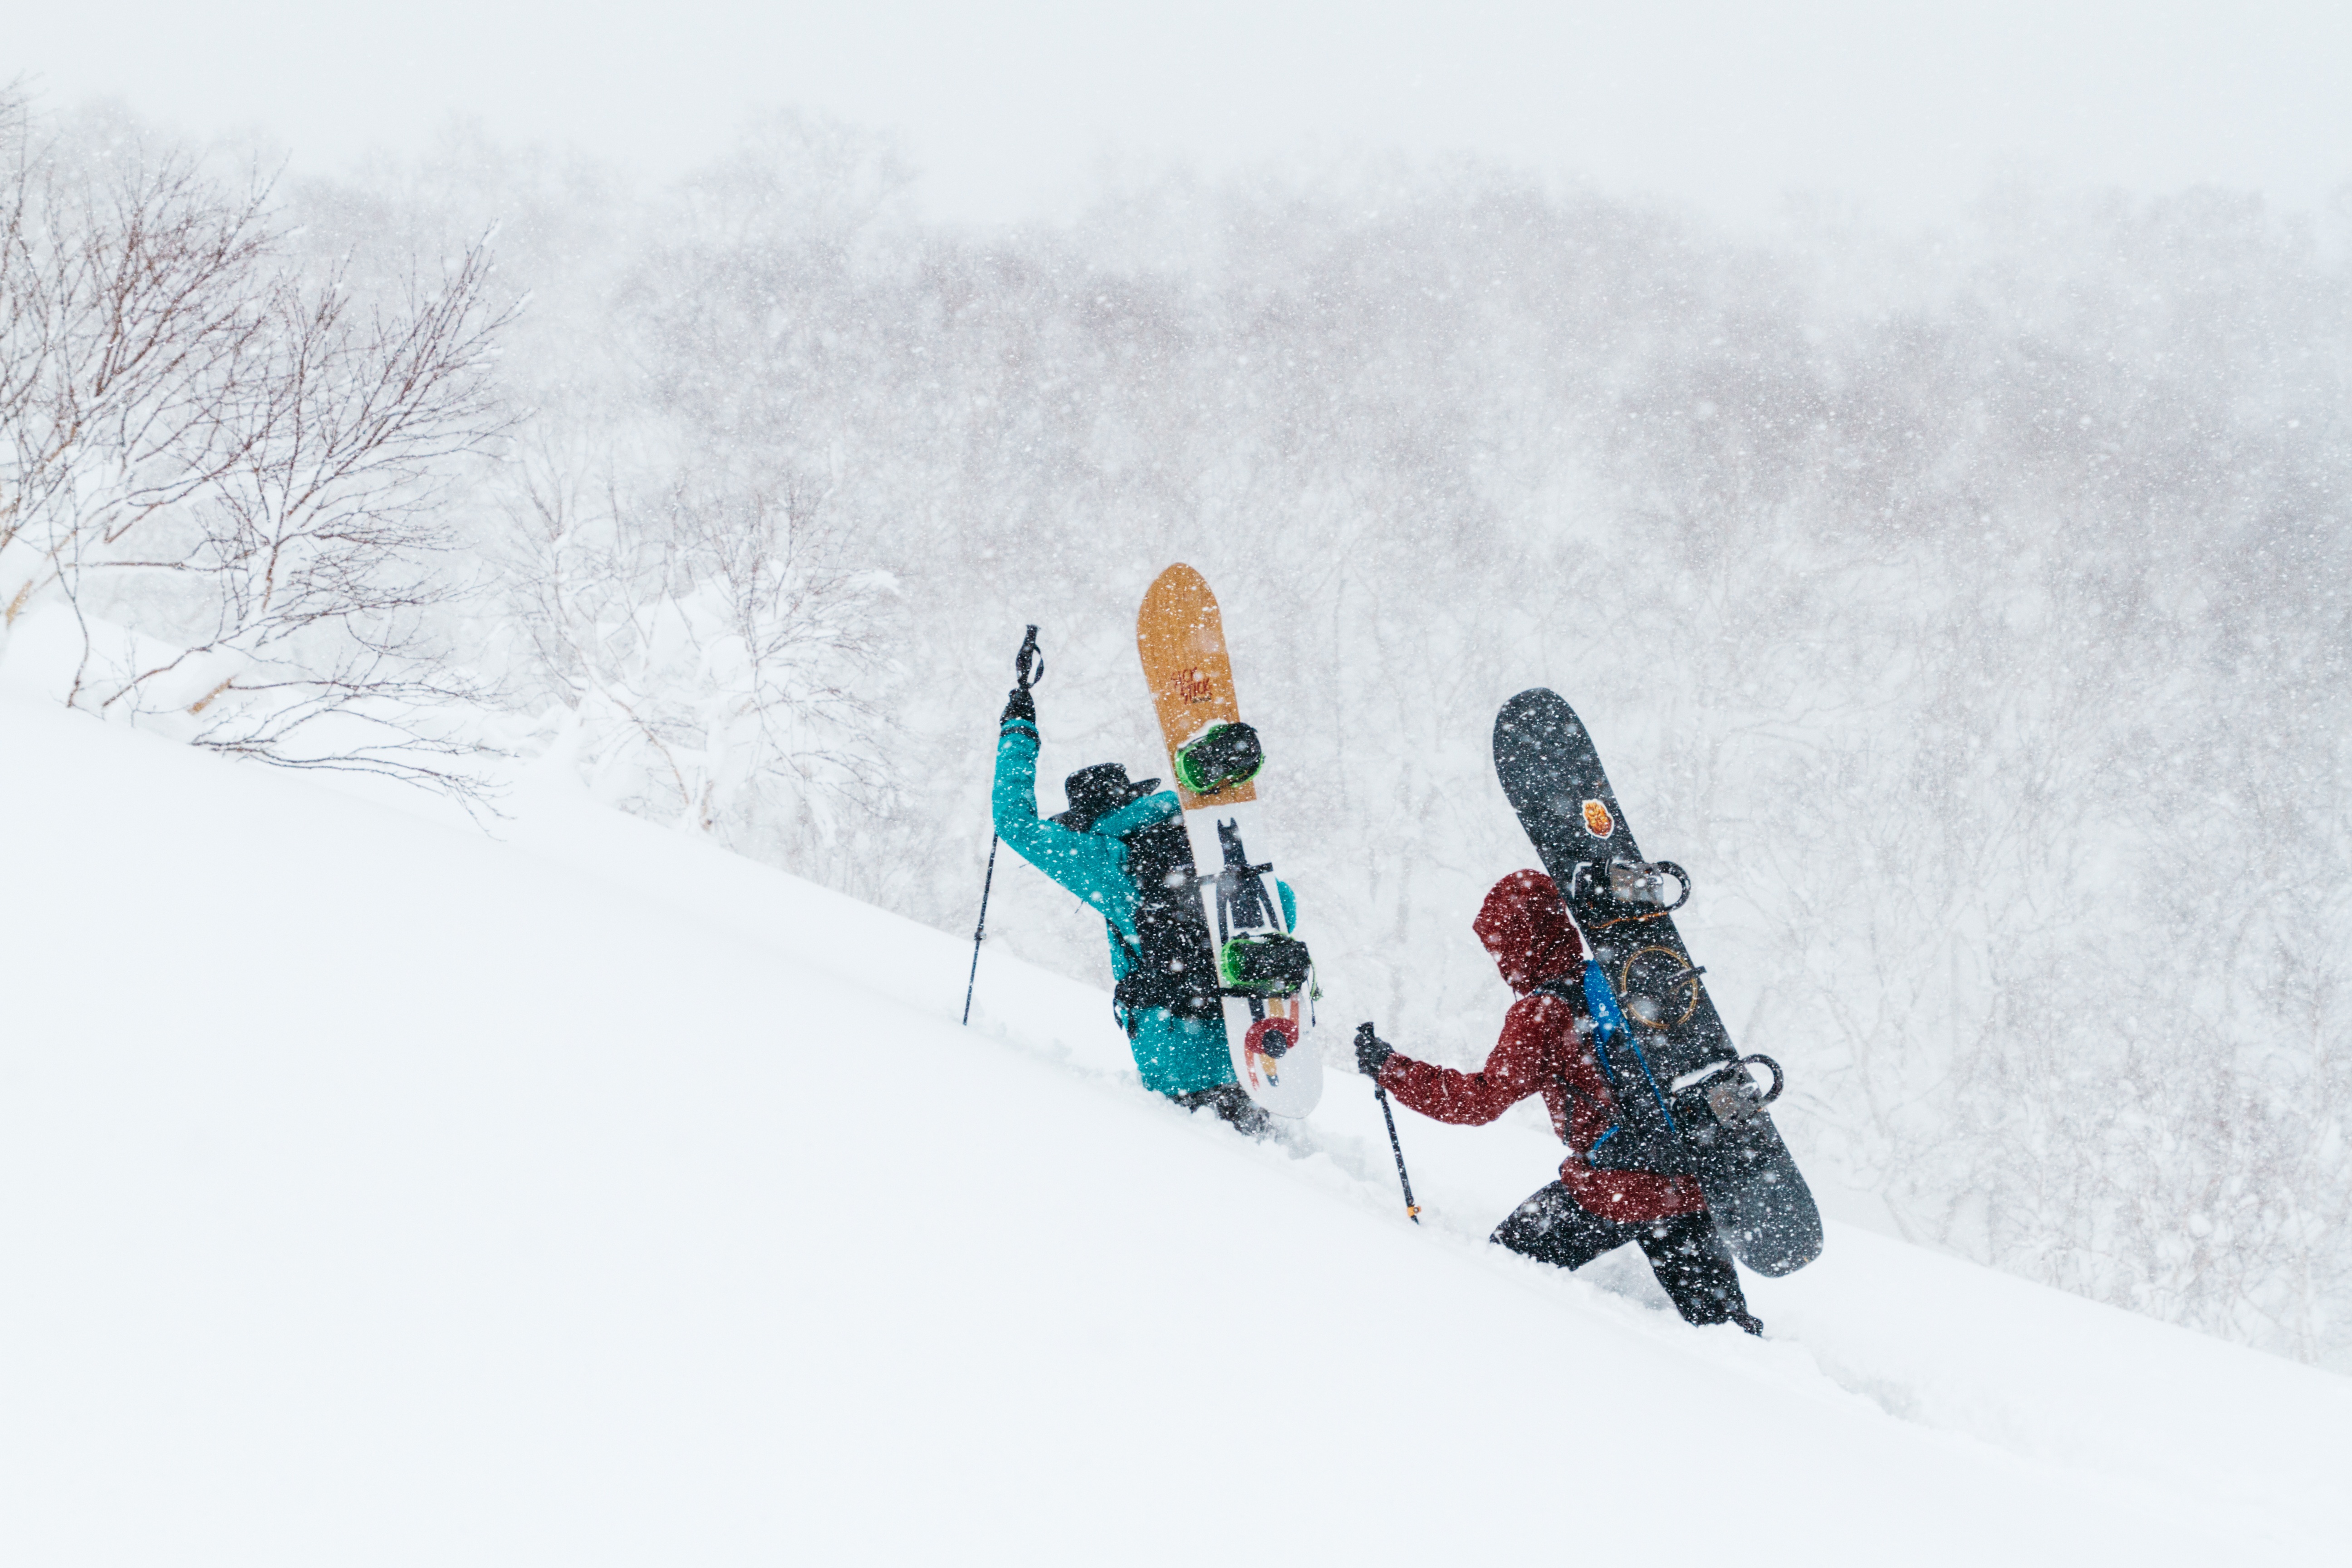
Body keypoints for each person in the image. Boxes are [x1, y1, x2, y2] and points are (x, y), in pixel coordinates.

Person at [1355, 868, 1762, 1333]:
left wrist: (1390, 1068)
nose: (1499, 960)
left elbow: (1478, 1102)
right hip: (1681, 1180)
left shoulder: (1542, 1012)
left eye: (1499, 945)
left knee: (1500, 1266)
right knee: (1728, 1329)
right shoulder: (1614, 978)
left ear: (1517, 942)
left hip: (1612, 1188)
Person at [992, 680, 1294, 1136]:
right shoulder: (1203, 835)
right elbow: (1282, 905)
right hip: (1253, 1049)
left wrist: (1018, 730)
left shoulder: (1108, 858)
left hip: (1180, 1069)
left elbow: (1014, 823)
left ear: (1086, 822)